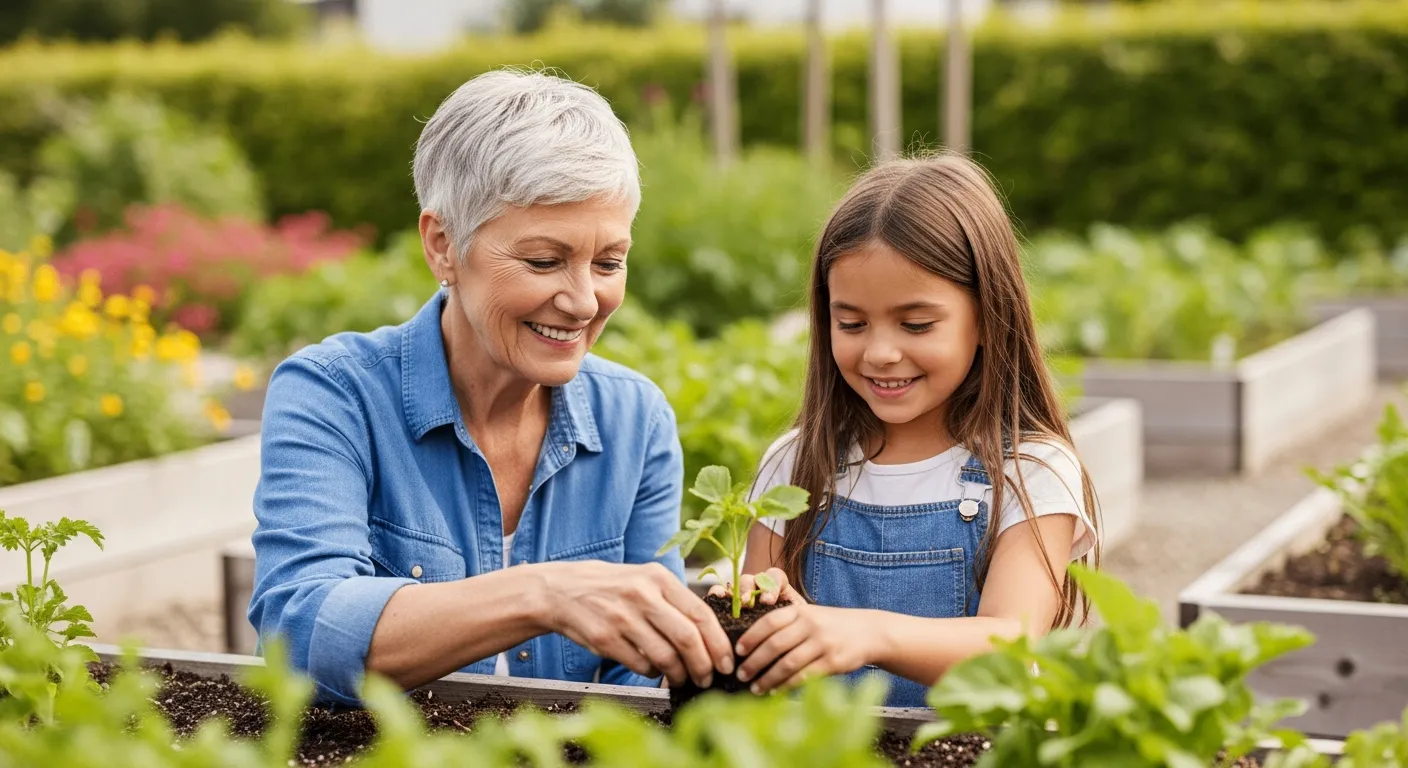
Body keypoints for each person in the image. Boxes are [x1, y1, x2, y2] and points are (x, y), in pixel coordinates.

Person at [247, 69, 733, 707]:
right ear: (444, 245)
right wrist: (544, 595)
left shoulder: (633, 418)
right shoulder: (334, 395)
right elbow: (299, 630)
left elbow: (640, 679)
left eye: (609, 262)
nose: (584, 300)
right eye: (543, 260)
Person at [717, 155, 1101, 708]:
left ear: (990, 318)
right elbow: (754, 649)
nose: (880, 353)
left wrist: (866, 632)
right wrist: (757, 605)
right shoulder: (796, 463)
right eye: (850, 323)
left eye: (916, 324)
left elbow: (1009, 645)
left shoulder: (1029, 471)